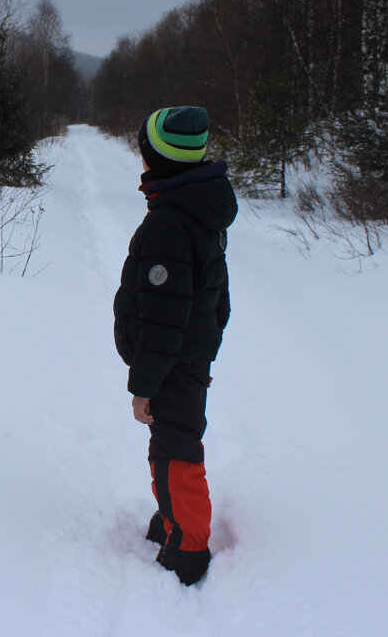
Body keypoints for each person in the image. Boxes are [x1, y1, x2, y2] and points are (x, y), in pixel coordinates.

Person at [113, 106, 237, 586]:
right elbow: (217, 297)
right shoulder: (197, 208)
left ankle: (189, 548)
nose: (142, 165)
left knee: (177, 446)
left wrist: (144, 384)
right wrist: (206, 341)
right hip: (187, 355)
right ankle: (170, 518)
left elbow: (165, 319)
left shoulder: (169, 224)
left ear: (158, 162)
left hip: (174, 362)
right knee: (168, 439)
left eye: (144, 156)